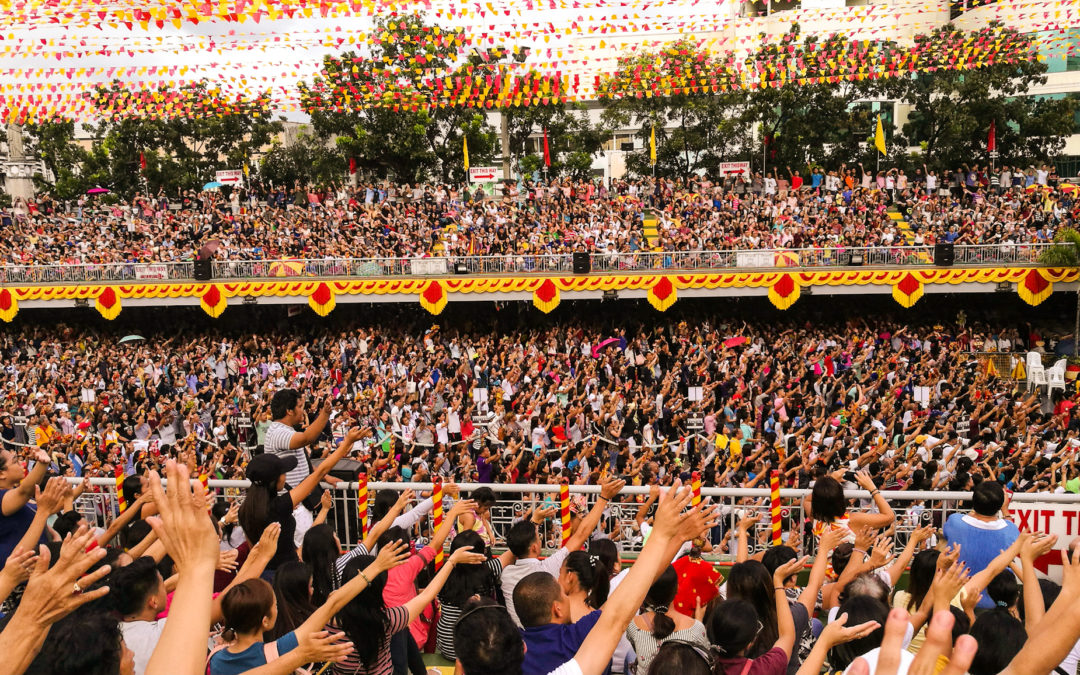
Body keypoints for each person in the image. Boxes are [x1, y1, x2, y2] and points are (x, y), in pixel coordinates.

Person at [208, 539, 411, 675]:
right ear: (266, 620)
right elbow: (332, 605)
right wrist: (376, 567)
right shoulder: (278, 650)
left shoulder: (215, 658)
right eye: (275, 604)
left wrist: (257, 560)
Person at [326, 545, 485, 675]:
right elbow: (428, 595)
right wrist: (451, 561)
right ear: (380, 587)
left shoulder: (328, 617)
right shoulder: (390, 619)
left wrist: (336, 599)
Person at [239, 428, 366, 577]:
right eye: (283, 473)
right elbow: (320, 472)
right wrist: (347, 443)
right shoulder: (280, 505)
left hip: (260, 575)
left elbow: (253, 551)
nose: (286, 476)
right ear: (274, 480)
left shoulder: (244, 510)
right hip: (289, 576)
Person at [501, 477, 624, 627]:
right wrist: (604, 497)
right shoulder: (547, 569)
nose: (540, 540)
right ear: (534, 547)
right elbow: (581, 534)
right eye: (538, 538)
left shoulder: (506, 574)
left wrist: (534, 521)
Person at [263, 388, 335, 547]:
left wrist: (326, 477)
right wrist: (324, 414)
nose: (303, 411)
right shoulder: (277, 432)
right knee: (302, 556)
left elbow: (304, 464)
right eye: (300, 407)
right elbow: (306, 438)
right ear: (289, 411)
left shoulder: (286, 431)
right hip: (293, 508)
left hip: (298, 505)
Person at [943, 480, 1019, 609]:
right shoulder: (1010, 530)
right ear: (1000, 504)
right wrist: (1005, 510)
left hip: (957, 600)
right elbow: (1012, 532)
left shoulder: (955, 521)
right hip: (996, 603)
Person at [624, 565, 709, 674]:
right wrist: (698, 620)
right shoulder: (696, 627)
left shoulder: (633, 624)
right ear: (677, 588)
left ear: (646, 593)